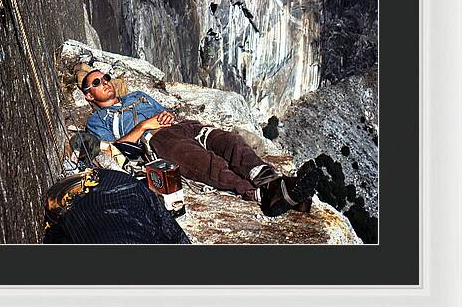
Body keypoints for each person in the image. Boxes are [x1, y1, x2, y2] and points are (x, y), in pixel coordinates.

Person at [81, 69, 320, 217]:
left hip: (183, 126)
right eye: (96, 82)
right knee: (204, 161)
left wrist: (166, 116)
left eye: (106, 77)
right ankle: (266, 194)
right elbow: (113, 149)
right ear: (89, 96)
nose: (105, 82)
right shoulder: (97, 120)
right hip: (155, 139)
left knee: (231, 142)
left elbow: (166, 113)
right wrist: (144, 126)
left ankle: (272, 182)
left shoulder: (138, 97)